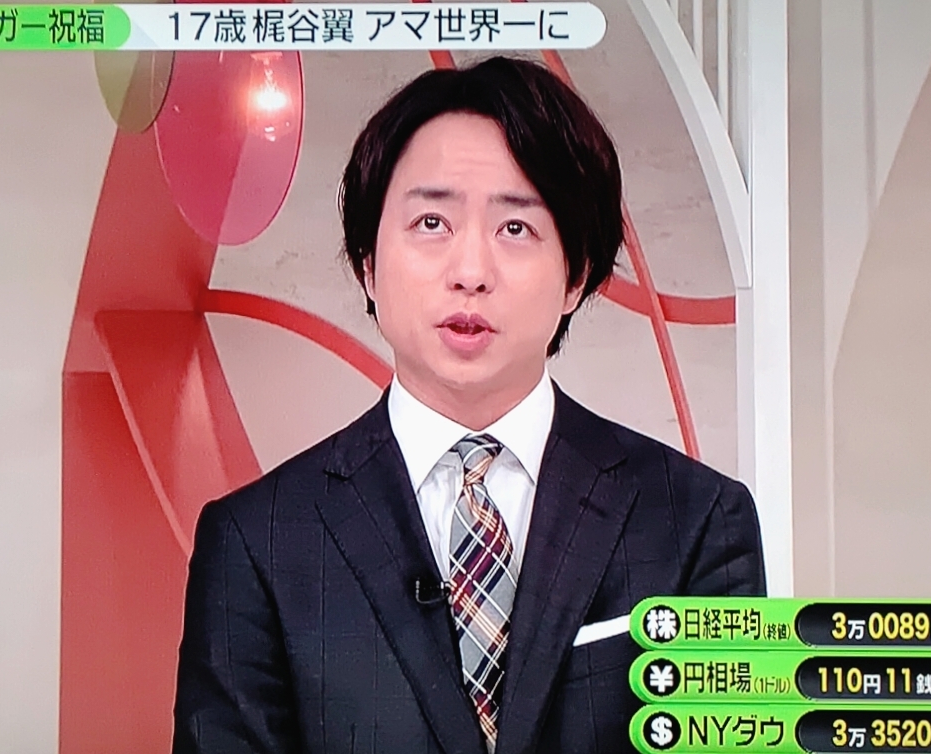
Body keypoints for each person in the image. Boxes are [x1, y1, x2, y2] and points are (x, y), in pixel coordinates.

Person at [173, 55, 766, 754]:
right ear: (368, 262)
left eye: (516, 228)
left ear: (576, 274)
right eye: (431, 222)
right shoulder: (258, 541)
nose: (471, 272)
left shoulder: (696, 522)